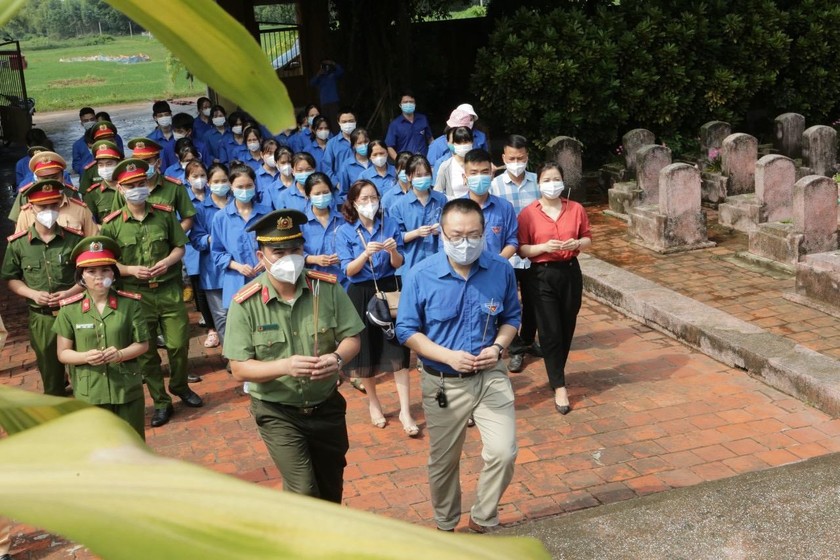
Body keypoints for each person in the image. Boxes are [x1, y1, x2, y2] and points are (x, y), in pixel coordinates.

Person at [396, 198, 520, 533]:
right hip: (443, 382)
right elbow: (406, 330)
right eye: (456, 235)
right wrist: (447, 355)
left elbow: (511, 318)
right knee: (444, 461)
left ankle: (483, 516)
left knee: (503, 452)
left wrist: (498, 347)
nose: (465, 242)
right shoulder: (420, 275)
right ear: (441, 235)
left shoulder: (500, 269)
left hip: (489, 375)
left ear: (483, 233)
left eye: (473, 234)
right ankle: (446, 524)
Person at [224, 209, 364, 503]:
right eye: (278, 252)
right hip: (278, 411)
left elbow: (352, 338)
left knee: (330, 486)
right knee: (302, 489)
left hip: (326, 407)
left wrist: (337, 359)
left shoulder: (326, 288)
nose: (289, 258)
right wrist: (284, 366)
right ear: (261, 257)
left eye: (295, 250)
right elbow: (239, 368)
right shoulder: (246, 303)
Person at [100, 158, 203, 427]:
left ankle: (180, 385)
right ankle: (160, 401)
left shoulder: (165, 213)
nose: (138, 189)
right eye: (131, 185)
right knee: (146, 353)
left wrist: (167, 262)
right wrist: (130, 270)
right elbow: (108, 264)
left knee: (178, 343)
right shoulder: (111, 224)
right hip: (135, 295)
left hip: (168, 289)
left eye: (141, 183)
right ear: (120, 189)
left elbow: (179, 247)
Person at [336, 180, 418, 436]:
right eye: (364, 199)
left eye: (373, 198)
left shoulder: (389, 223)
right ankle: (374, 404)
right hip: (360, 293)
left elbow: (398, 262)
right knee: (366, 350)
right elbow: (348, 271)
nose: (370, 203)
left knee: (398, 349)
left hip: (390, 289)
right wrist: (364, 255)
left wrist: (393, 251)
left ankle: (405, 409)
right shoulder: (345, 231)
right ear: (353, 202)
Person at [53, 236, 150, 439]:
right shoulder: (69, 310)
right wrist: (85, 357)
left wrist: (120, 354)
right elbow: (63, 353)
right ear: (81, 277)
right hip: (90, 393)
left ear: (114, 275)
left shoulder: (130, 305)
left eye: (105, 269)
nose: (99, 277)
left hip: (126, 391)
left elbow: (142, 344)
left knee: (132, 445)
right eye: (91, 271)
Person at [517, 163, 590, 414]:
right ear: (538, 183)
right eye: (547, 179)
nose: (552, 184)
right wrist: (544, 247)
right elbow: (522, 249)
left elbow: (587, 238)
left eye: (556, 178)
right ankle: (559, 384)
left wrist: (577, 242)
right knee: (549, 329)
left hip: (570, 271)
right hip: (542, 274)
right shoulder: (528, 213)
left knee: (567, 324)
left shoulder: (576, 209)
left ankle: (557, 370)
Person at [1, 179, 85, 396]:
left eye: (53, 205)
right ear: (30, 207)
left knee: (85, 368)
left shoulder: (74, 240)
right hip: (41, 317)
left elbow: (88, 276)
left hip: (75, 311)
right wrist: (31, 293)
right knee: (50, 372)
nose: (48, 211)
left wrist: (69, 293)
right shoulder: (18, 244)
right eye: (42, 206)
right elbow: (11, 277)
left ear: (59, 205)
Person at [491, 135, 542, 373]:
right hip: (507, 255)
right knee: (509, 303)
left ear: (527, 157)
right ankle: (515, 347)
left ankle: (529, 339)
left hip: (535, 254)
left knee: (534, 300)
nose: (516, 162)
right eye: (511, 158)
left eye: (520, 158)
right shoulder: (494, 185)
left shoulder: (538, 183)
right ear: (503, 158)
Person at [210, 163, 272, 314]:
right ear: (231, 186)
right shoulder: (220, 218)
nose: (245, 190)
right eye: (240, 186)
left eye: (249, 185)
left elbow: (277, 246)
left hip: (267, 278)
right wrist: (238, 266)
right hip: (236, 280)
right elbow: (217, 253)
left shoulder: (267, 214)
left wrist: (266, 261)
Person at [190, 163, 231, 344]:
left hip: (239, 268)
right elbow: (195, 239)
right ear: (208, 183)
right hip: (213, 270)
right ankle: (230, 355)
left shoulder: (237, 204)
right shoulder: (200, 209)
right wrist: (210, 239)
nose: (220, 184)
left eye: (224, 180)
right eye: (216, 181)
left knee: (244, 312)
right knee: (221, 316)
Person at [13, 151, 98, 236]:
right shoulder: (26, 214)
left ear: (63, 177)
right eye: (45, 178)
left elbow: (93, 241)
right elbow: (20, 244)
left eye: (55, 178)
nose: (51, 182)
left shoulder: (80, 210)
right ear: (36, 179)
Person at [184, 160, 220, 349]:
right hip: (194, 252)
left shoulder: (214, 196)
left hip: (216, 253)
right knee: (201, 292)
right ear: (187, 179)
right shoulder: (184, 199)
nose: (199, 180)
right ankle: (212, 328)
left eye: (202, 175)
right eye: (194, 176)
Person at [124, 137, 196, 232]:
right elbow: (118, 220)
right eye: (138, 162)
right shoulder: (126, 189)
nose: (142, 166)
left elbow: (188, 218)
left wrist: (174, 239)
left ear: (158, 163)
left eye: (147, 161)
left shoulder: (174, 187)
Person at [390, 155, 446, 271]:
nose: (423, 178)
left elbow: (451, 226)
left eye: (426, 174)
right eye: (419, 175)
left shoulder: (441, 199)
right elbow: (394, 237)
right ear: (409, 177)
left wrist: (440, 229)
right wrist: (416, 233)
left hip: (439, 260)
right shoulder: (398, 206)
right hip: (411, 263)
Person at [301, 172, 346, 287]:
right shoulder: (301, 223)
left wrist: (343, 255)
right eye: (317, 193)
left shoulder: (342, 220)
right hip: (314, 282)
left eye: (325, 192)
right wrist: (313, 259)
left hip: (344, 281)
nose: (322, 196)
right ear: (308, 195)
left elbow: (355, 246)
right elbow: (293, 252)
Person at [82, 140, 124, 223]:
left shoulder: (131, 186)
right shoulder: (93, 194)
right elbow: (91, 224)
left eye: (109, 164)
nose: (105, 168)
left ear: (118, 164)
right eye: (101, 165)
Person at [384, 91, 433, 160]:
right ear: (400, 105)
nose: (408, 104)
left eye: (411, 102)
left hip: (424, 161)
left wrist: (432, 156)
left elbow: (430, 139)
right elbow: (389, 147)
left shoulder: (422, 119)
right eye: (405, 102)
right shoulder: (394, 124)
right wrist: (399, 162)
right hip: (405, 163)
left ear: (415, 104)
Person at [433, 126, 473, 199]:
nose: (463, 145)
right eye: (459, 142)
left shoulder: (479, 164)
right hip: (455, 207)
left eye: (466, 142)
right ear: (453, 144)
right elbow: (438, 192)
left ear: (472, 142)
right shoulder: (445, 166)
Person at [322, 107, 358, 184]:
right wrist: (337, 184)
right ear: (338, 122)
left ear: (356, 121)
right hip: (340, 190)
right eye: (344, 122)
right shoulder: (331, 144)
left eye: (351, 121)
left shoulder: (363, 141)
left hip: (362, 186)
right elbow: (326, 168)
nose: (348, 124)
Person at [336, 128, 371, 199]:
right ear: (353, 146)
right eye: (359, 143)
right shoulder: (347, 165)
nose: (363, 145)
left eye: (366, 142)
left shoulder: (376, 161)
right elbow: (344, 192)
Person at [310, 59, 343, 128]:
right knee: (326, 120)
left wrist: (333, 63)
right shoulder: (320, 78)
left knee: (335, 121)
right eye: (324, 66)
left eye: (327, 66)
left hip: (334, 101)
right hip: (324, 102)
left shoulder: (333, 75)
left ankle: (336, 135)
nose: (326, 68)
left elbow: (341, 71)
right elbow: (311, 83)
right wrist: (318, 74)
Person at [71, 107, 98, 175]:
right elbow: (76, 164)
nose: (89, 122)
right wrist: (85, 171)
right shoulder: (77, 145)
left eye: (92, 119)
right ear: (82, 123)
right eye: (86, 121)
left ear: (96, 120)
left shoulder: (111, 138)